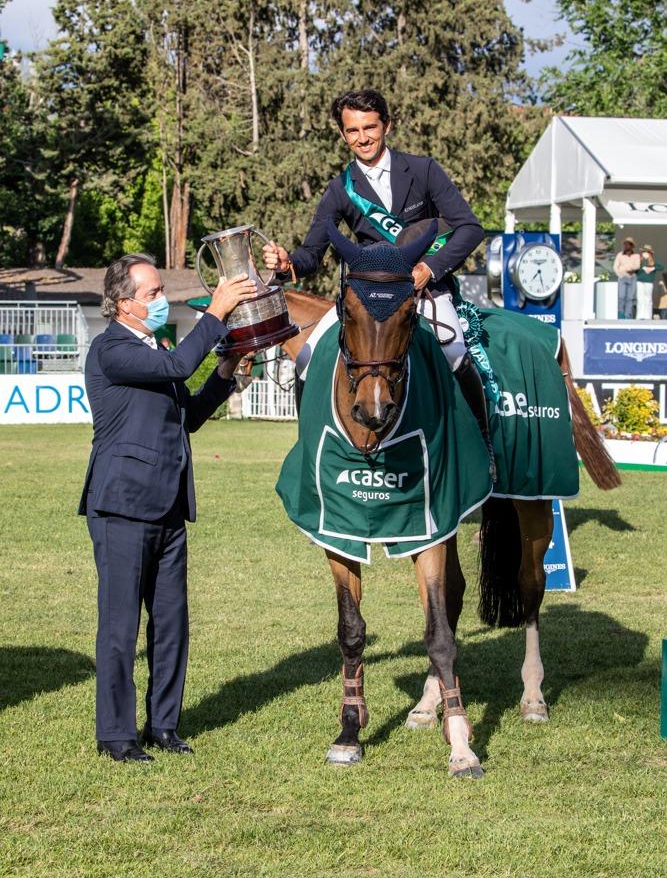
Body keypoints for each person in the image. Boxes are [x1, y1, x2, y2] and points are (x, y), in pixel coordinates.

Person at [80, 254, 256, 763]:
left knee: (171, 623)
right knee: (119, 628)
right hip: (121, 506)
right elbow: (180, 365)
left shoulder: (155, 348)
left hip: (169, 505)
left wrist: (224, 370)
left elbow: (190, 415)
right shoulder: (111, 349)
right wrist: (216, 312)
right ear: (122, 304)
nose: (162, 300)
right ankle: (116, 735)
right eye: (153, 294)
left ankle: (163, 725)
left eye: (161, 291)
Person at [262, 88, 492, 466]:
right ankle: (309, 453)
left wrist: (429, 268)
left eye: (370, 127)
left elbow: (470, 228)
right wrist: (288, 263)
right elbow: (311, 255)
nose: (362, 138)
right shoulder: (340, 189)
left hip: (422, 289)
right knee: (305, 356)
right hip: (367, 296)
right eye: (352, 131)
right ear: (342, 134)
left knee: (454, 352)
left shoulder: (423, 170)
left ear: (387, 125)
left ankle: (482, 448)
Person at [613, 237, 640, 319]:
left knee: (630, 298)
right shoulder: (620, 255)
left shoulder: (636, 256)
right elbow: (615, 267)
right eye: (625, 244)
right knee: (621, 296)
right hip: (622, 277)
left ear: (632, 246)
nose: (626, 246)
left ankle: (628, 315)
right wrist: (621, 274)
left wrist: (631, 270)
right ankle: (621, 313)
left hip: (632, 277)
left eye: (628, 244)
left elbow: (637, 266)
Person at [635, 245, 663, 320]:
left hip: (649, 282)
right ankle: (639, 316)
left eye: (646, 252)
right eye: (644, 251)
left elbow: (661, 267)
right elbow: (635, 270)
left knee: (648, 299)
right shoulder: (640, 261)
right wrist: (641, 266)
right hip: (640, 282)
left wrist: (653, 268)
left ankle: (648, 316)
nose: (645, 253)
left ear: (650, 253)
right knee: (640, 298)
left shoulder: (653, 262)